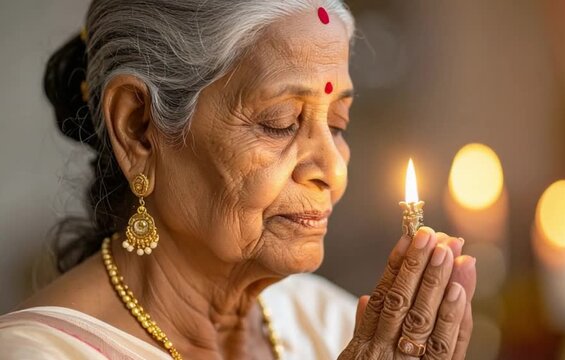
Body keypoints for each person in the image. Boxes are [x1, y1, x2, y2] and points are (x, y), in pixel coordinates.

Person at [0, 0, 477, 359]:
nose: (333, 170)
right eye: (280, 122)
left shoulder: (336, 325)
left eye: (338, 125)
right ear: (139, 129)